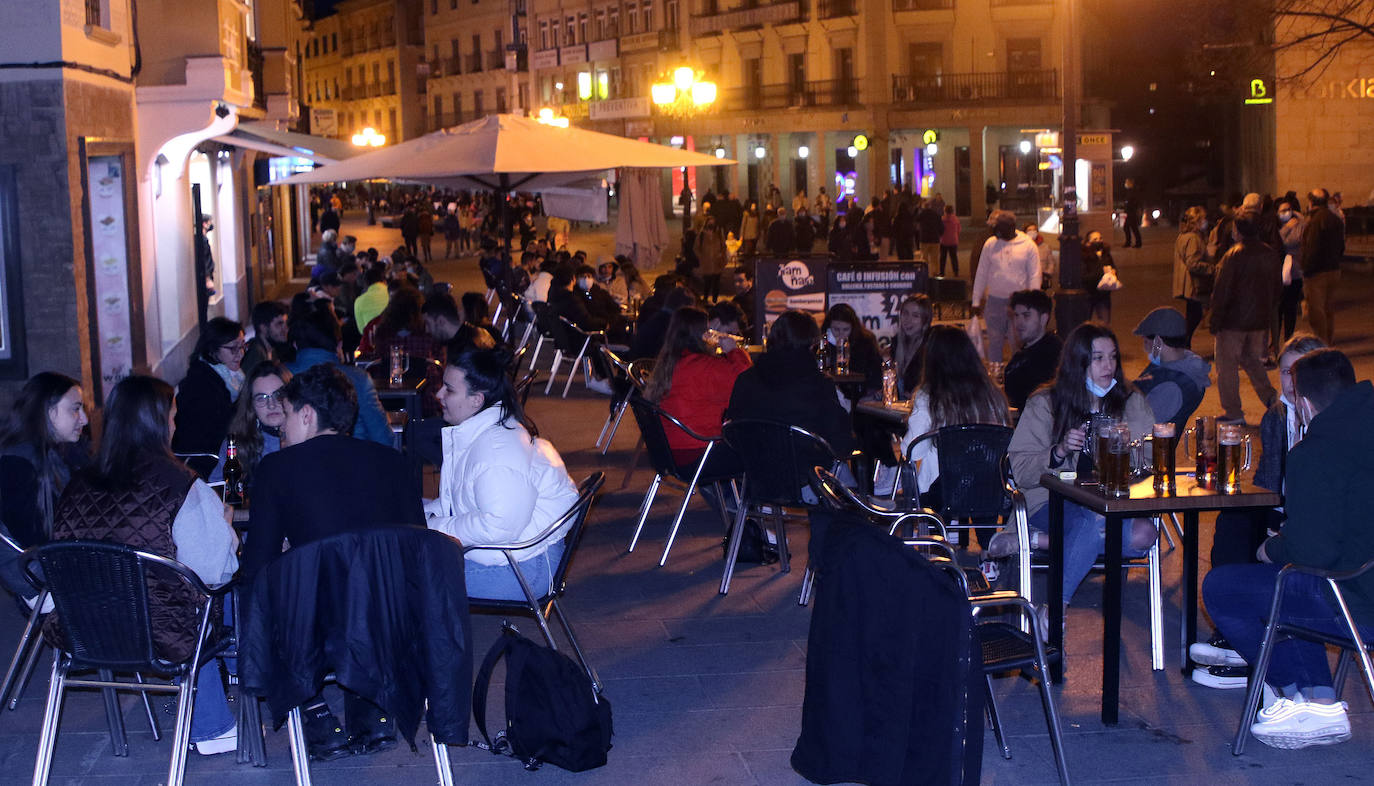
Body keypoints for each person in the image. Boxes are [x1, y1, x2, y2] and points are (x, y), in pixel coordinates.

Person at [52, 375, 239, 755]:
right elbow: (215, 571)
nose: (175, 425)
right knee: (222, 591)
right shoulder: (182, 484)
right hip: (162, 633)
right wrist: (226, 528)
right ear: (156, 423)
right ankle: (214, 723)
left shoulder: (76, 485)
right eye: (171, 417)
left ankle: (197, 708)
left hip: (84, 629)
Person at [245, 364, 423, 758]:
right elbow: (414, 552)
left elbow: (259, 563)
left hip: (313, 626)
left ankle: (315, 709)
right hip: (389, 620)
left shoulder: (276, 470)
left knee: (266, 591)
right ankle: (371, 703)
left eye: (286, 415)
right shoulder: (394, 463)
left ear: (306, 415)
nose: (282, 427)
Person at [1201, 349, 1374, 748]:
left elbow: (1312, 552)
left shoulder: (1317, 450)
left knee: (1228, 588)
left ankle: (1308, 699)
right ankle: (1316, 698)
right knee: (1292, 588)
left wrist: (1271, 549)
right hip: (1361, 576)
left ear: (1305, 402)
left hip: (1359, 602)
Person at [992, 323, 1157, 611]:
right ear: (1077, 363)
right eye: (1098, 358)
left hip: (1109, 502)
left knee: (1145, 535)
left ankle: (1036, 540)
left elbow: (1151, 458)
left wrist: (1126, 447)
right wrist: (1058, 451)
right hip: (1051, 500)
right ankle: (1055, 611)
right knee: (1089, 526)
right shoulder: (1045, 403)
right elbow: (1019, 469)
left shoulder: (1130, 401)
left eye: (1113, 357)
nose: (1109, 366)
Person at [1190, 334, 1324, 691]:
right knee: (1234, 520)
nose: (1290, 382)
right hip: (1280, 504)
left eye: (1298, 372)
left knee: (1269, 543)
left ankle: (1250, 645)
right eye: (1284, 371)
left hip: (1311, 518)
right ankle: (1236, 633)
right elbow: (1267, 480)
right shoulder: (1277, 415)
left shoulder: (1329, 417)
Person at [425, 346, 579, 601]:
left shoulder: (495, 452)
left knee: (408, 575)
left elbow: (499, 526)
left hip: (526, 569)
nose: (439, 394)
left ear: (477, 399)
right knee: (407, 561)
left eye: (449, 389)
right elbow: (462, 502)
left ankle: (436, 640)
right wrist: (425, 516)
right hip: (516, 555)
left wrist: (435, 525)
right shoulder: (482, 431)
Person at [901, 325, 1012, 510]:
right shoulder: (994, 395)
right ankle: (988, 538)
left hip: (943, 495)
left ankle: (938, 534)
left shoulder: (929, 396)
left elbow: (913, 451)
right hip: (991, 492)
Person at [725, 310, 855, 457]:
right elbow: (842, 443)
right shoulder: (819, 384)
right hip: (807, 471)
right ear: (811, 343)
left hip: (755, 469)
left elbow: (733, 431)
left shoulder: (745, 380)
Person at [0, 372, 89, 585]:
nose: (84, 419)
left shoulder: (54, 454)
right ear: (48, 412)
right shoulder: (18, 465)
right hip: (40, 574)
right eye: (76, 409)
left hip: (52, 563)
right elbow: (35, 537)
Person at [645, 307, 752, 465]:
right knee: (755, 448)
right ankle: (729, 490)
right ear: (703, 335)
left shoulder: (671, 361)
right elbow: (746, 385)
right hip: (696, 452)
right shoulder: (704, 367)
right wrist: (733, 351)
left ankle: (717, 489)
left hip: (665, 450)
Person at [1211, 209, 1281, 425]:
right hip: (1259, 320)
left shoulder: (1233, 255)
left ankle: (1233, 411)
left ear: (1238, 230)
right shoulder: (1269, 253)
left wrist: (1215, 320)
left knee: (1227, 366)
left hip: (1233, 322)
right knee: (1252, 362)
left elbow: (1222, 291)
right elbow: (1277, 288)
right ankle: (1271, 398)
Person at [287, 306, 394, 446]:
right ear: (339, 345)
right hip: (354, 462)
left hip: (295, 463)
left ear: (295, 345)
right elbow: (383, 438)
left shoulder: (280, 376)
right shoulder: (359, 379)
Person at [171, 317, 245, 479]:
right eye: (233, 349)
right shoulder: (201, 384)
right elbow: (208, 432)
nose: (240, 354)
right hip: (204, 464)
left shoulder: (230, 376)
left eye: (242, 346)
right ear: (212, 350)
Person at [972, 210, 1042, 362]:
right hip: (994, 301)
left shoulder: (1028, 245)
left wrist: (1033, 301)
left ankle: (1016, 375)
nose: (996, 233)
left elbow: (1034, 275)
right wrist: (976, 300)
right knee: (994, 342)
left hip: (1019, 303)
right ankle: (996, 375)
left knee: (1017, 341)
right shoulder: (990, 244)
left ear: (1011, 228)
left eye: (1000, 229)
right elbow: (982, 272)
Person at [1130, 307, 1212, 430]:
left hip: (1144, 446)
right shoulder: (1183, 365)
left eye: (1145, 340)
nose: (1144, 345)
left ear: (1158, 342)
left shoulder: (1172, 386)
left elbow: (1137, 427)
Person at [1002, 289, 1063, 410]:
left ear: (1044, 318)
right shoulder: (1024, 352)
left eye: (1026, 315)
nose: (1019, 322)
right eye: (1016, 315)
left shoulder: (1052, 353)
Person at [1300, 188, 1344, 346]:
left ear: (1311, 202)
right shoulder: (1335, 219)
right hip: (1334, 270)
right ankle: (1328, 342)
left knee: (1316, 313)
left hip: (1317, 273)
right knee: (1328, 310)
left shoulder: (1315, 221)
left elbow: (1312, 248)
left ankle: (1322, 344)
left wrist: (1306, 269)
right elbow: (1341, 246)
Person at [821, 303, 884, 397]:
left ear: (853, 328)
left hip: (860, 392)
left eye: (846, 329)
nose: (841, 334)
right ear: (829, 327)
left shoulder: (865, 340)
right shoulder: (822, 341)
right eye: (836, 329)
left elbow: (876, 373)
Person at [1172, 206, 1212, 348]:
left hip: (1186, 283)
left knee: (1192, 315)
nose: (1206, 221)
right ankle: (1181, 344)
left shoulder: (1184, 236)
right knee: (1194, 317)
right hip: (1193, 284)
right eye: (1203, 219)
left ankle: (1184, 345)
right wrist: (1211, 268)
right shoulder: (1193, 238)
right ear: (1197, 221)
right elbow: (1193, 263)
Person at [1276, 198, 1306, 346]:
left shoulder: (1298, 225)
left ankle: (1289, 337)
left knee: (1291, 306)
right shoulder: (1276, 226)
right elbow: (1281, 242)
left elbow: (1297, 239)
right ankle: (1275, 339)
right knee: (1278, 307)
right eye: (1282, 210)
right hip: (1279, 270)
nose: (1286, 213)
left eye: (1288, 209)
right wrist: (1287, 228)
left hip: (1295, 271)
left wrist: (1297, 216)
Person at [891, 294, 932, 399]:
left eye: (915, 316)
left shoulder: (931, 344)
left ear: (925, 321)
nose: (908, 320)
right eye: (905, 314)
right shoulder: (896, 342)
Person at [242, 301, 290, 374]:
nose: (286, 329)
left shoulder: (270, 351)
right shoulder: (255, 354)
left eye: (285, 323)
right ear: (263, 328)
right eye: (279, 324)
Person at [1082, 230, 1117, 323]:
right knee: (1086, 321)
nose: (1098, 241)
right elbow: (1084, 276)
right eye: (1095, 239)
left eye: (1100, 238)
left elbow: (1112, 266)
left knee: (1105, 322)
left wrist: (1113, 272)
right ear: (1088, 242)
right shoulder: (1084, 255)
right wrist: (1101, 272)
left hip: (1103, 294)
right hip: (1088, 293)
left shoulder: (1105, 253)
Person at [353, 265, 390, 332]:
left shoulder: (359, 301)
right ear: (384, 280)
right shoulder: (394, 293)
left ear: (365, 284)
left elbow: (361, 330)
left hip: (373, 337)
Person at [917, 199, 943, 265]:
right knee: (935, 259)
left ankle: (924, 273)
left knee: (924, 259)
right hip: (935, 239)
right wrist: (939, 235)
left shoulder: (922, 214)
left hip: (924, 239)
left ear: (923, 207)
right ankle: (935, 273)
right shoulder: (936, 214)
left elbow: (915, 219)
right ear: (930, 206)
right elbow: (941, 226)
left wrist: (917, 208)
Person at [730, 267, 756, 333]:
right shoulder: (738, 298)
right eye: (735, 281)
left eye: (740, 281)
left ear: (750, 281)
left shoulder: (754, 300)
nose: (736, 284)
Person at [939, 206, 961, 277]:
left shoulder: (942, 219)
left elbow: (940, 230)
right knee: (954, 257)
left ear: (945, 211)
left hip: (943, 241)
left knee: (943, 258)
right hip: (953, 241)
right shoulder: (956, 219)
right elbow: (959, 229)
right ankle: (956, 272)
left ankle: (942, 272)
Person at [1122, 178, 1143, 248]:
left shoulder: (1133, 192)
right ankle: (1133, 242)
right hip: (1131, 212)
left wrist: (1129, 206)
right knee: (1130, 227)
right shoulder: (1131, 192)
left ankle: (1135, 242)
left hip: (1132, 212)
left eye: (1126, 182)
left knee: (1131, 227)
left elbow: (1134, 202)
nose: (1125, 184)